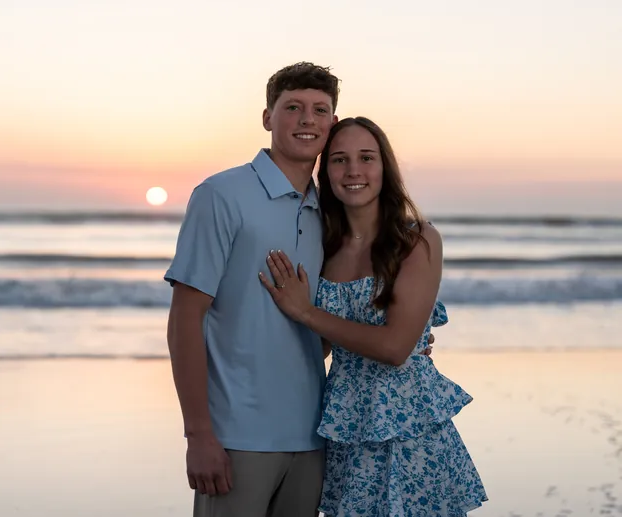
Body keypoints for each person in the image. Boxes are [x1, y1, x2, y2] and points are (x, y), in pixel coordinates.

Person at [164, 62, 436, 517]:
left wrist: (404, 339)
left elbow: (318, 332)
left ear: (331, 124)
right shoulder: (221, 195)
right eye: (292, 107)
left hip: (315, 436)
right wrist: (199, 434)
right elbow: (185, 319)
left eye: (319, 110)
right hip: (238, 435)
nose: (307, 119)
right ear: (267, 117)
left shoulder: (327, 216)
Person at [258, 116, 488, 516]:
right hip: (347, 426)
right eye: (339, 160)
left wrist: (307, 312)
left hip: (410, 426)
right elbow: (320, 347)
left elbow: (395, 348)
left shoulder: (415, 240)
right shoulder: (322, 246)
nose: (353, 171)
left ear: (385, 167)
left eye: (366, 157)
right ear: (325, 171)